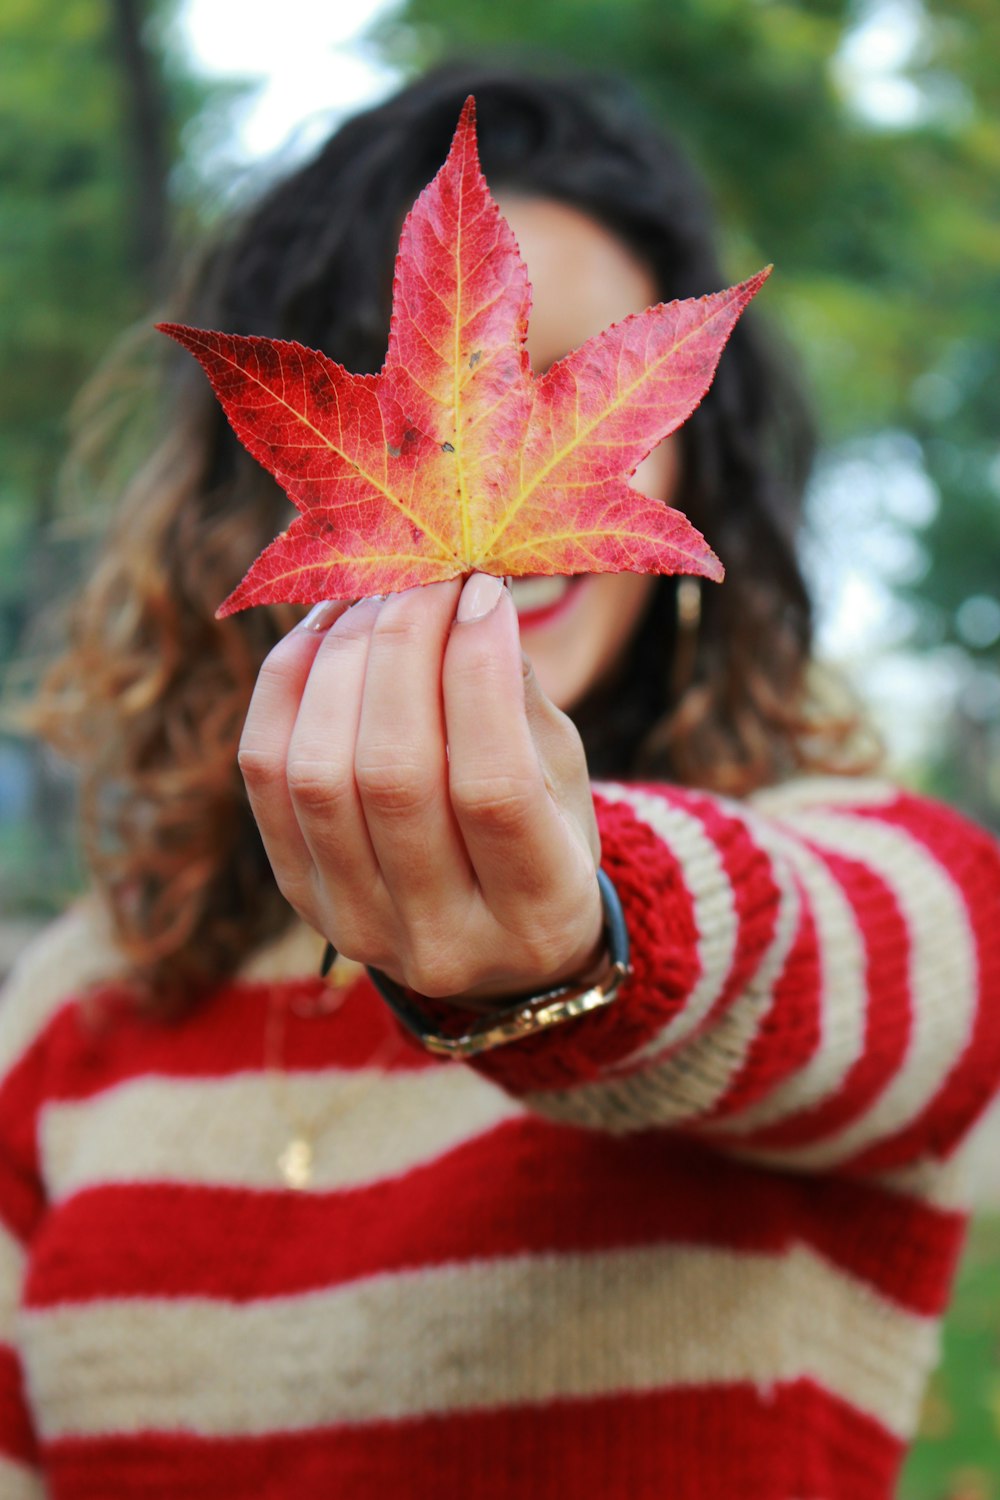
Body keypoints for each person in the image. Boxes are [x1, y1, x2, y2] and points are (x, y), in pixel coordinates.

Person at [2, 62, 998, 1500]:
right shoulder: (81, 1002)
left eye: (578, 374)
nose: (495, 477)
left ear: (694, 469)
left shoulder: (859, 872)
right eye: (393, 390)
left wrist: (573, 939)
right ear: (272, 468)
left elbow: (867, 962)